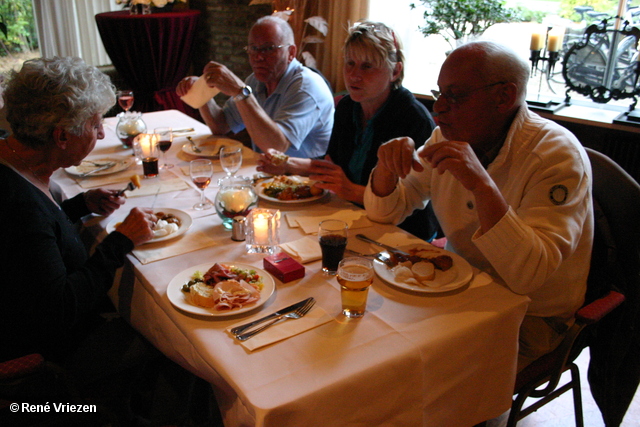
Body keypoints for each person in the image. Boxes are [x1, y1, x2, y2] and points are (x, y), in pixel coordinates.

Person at [364, 41, 593, 371]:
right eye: (439, 93)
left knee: (415, 372)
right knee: (369, 334)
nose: (438, 109)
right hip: (460, 290)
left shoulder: (557, 157)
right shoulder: (447, 137)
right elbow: (383, 213)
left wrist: (482, 184)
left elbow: (529, 276)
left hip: (533, 317)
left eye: (455, 96)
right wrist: (386, 168)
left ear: (504, 96)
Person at [0, 57, 163, 424]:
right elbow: (59, 309)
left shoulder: (11, 160)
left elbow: (32, 248)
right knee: (164, 338)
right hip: (39, 360)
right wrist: (120, 242)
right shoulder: (17, 205)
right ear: (61, 135)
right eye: (94, 124)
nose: (102, 134)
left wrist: (77, 206)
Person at [258, 21, 439, 240]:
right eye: (350, 63)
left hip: (403, 235)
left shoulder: (413, 119)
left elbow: (407, 202)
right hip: (351, 217)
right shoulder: (347, 107)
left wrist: (350, 190)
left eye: (367, 66)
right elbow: (334, 169)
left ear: (395, 71)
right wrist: (287, 164)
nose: (353, 75)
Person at [176, 15, 334, 158]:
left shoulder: (306, 87)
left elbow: (276, 148)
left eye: (269, 48)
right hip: (267, 171)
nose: (258, 57)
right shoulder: (256, 81)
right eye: (253, 49)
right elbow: (221, 126)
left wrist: (240, 92)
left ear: (291, 52)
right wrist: (201, 91)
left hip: (304, 179)